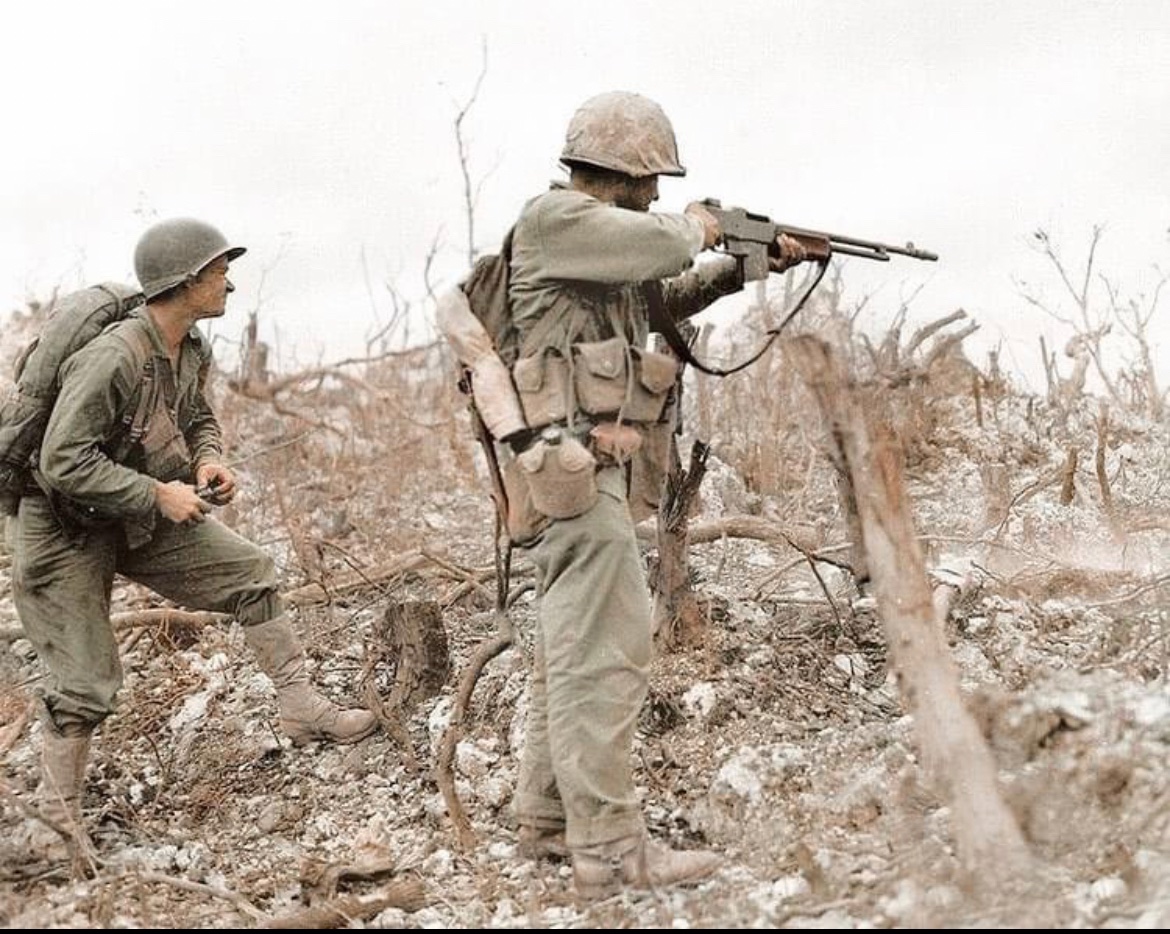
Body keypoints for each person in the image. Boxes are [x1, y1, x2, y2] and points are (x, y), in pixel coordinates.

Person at [503, 91, 810, 899]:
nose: (659, 196)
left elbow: (657, 301)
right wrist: (709, 223)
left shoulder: (597, 253)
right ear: (624, 172)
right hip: (570, 465)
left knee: (568, 646)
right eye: (652, 182)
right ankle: (608, 850)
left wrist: (742, 268)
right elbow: (667, 239)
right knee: (606, 651)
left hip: (578, 467)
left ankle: (546, 823)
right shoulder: (555, 220)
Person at [11, 218, 377, 861]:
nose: (228, 281)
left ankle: (302, 709)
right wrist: (156, 493)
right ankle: (52, 825)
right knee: (88, 683)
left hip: (135, 515)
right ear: (183, 283)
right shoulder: (114, 355)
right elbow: (62, 460)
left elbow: (197, 417)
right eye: (217, 271)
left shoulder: (192, 348)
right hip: (63, 527)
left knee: (252, 572)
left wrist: (207, 460)